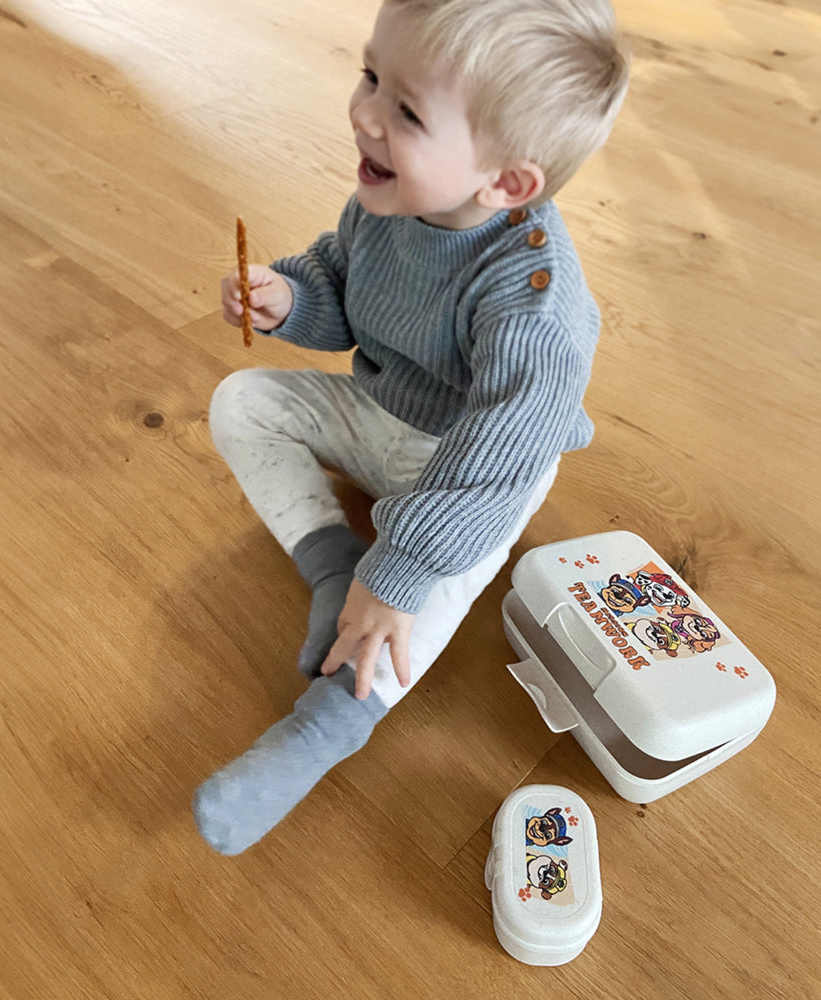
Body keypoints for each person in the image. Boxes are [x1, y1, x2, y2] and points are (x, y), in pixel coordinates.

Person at [192, 0, 628, 855]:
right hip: (384, 412)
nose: (364, 113)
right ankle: (333, 570)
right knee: (241, 400)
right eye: (370, 76)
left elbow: (500, 452)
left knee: (426, 596)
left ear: (507, 184)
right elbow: (343, 283)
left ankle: (324, 728)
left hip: (474, 469)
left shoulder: (533, 303)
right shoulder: (390, 197)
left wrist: (401, 571)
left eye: (407, 111)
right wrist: (290, 299)